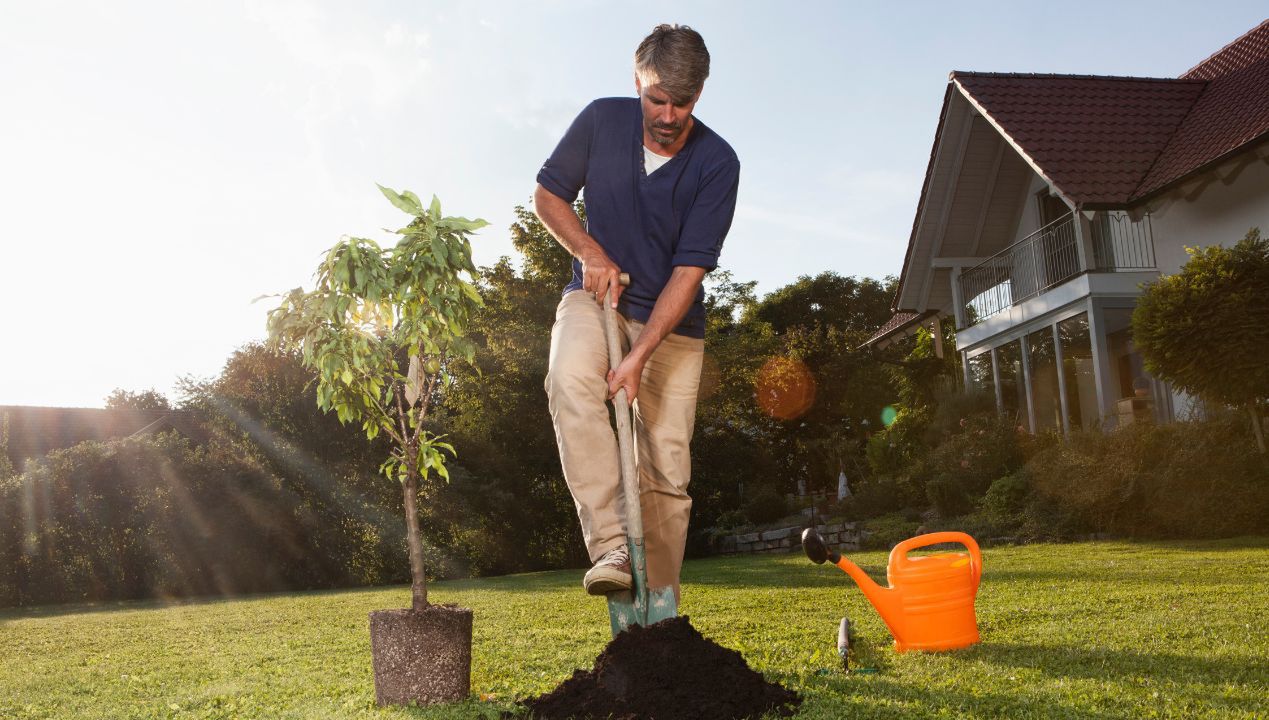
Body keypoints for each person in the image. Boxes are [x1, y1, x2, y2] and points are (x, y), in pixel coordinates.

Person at [534, 24, 740, 600]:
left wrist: (640, 356)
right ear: (637, 83)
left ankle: (660, 612)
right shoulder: (601, 120)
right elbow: (548, 195)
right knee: (570, 378)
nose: (669, 115)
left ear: (699, 94)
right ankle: (612, 548)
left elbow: (688, 272)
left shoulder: (718, 163)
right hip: (595, 299)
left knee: (667, 472)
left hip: (671, 326)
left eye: (683, 102)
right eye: (656, 99)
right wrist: (589, 250)